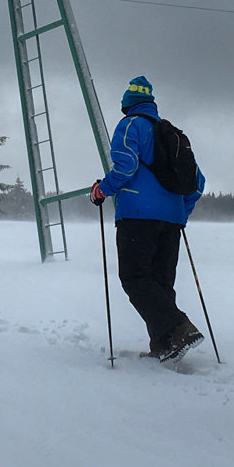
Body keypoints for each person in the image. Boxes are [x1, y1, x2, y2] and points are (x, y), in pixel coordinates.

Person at [89, 75, 205, 361]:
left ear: (127, 106)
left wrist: (102, 190)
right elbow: (197, 183)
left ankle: (179, 328)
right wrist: (180, 214)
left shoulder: (129, 125)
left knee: (135, 277)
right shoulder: (173, 134)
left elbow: (126, 166)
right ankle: (165, 345)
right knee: (160, 282)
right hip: (172, 221)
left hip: (137, 216)